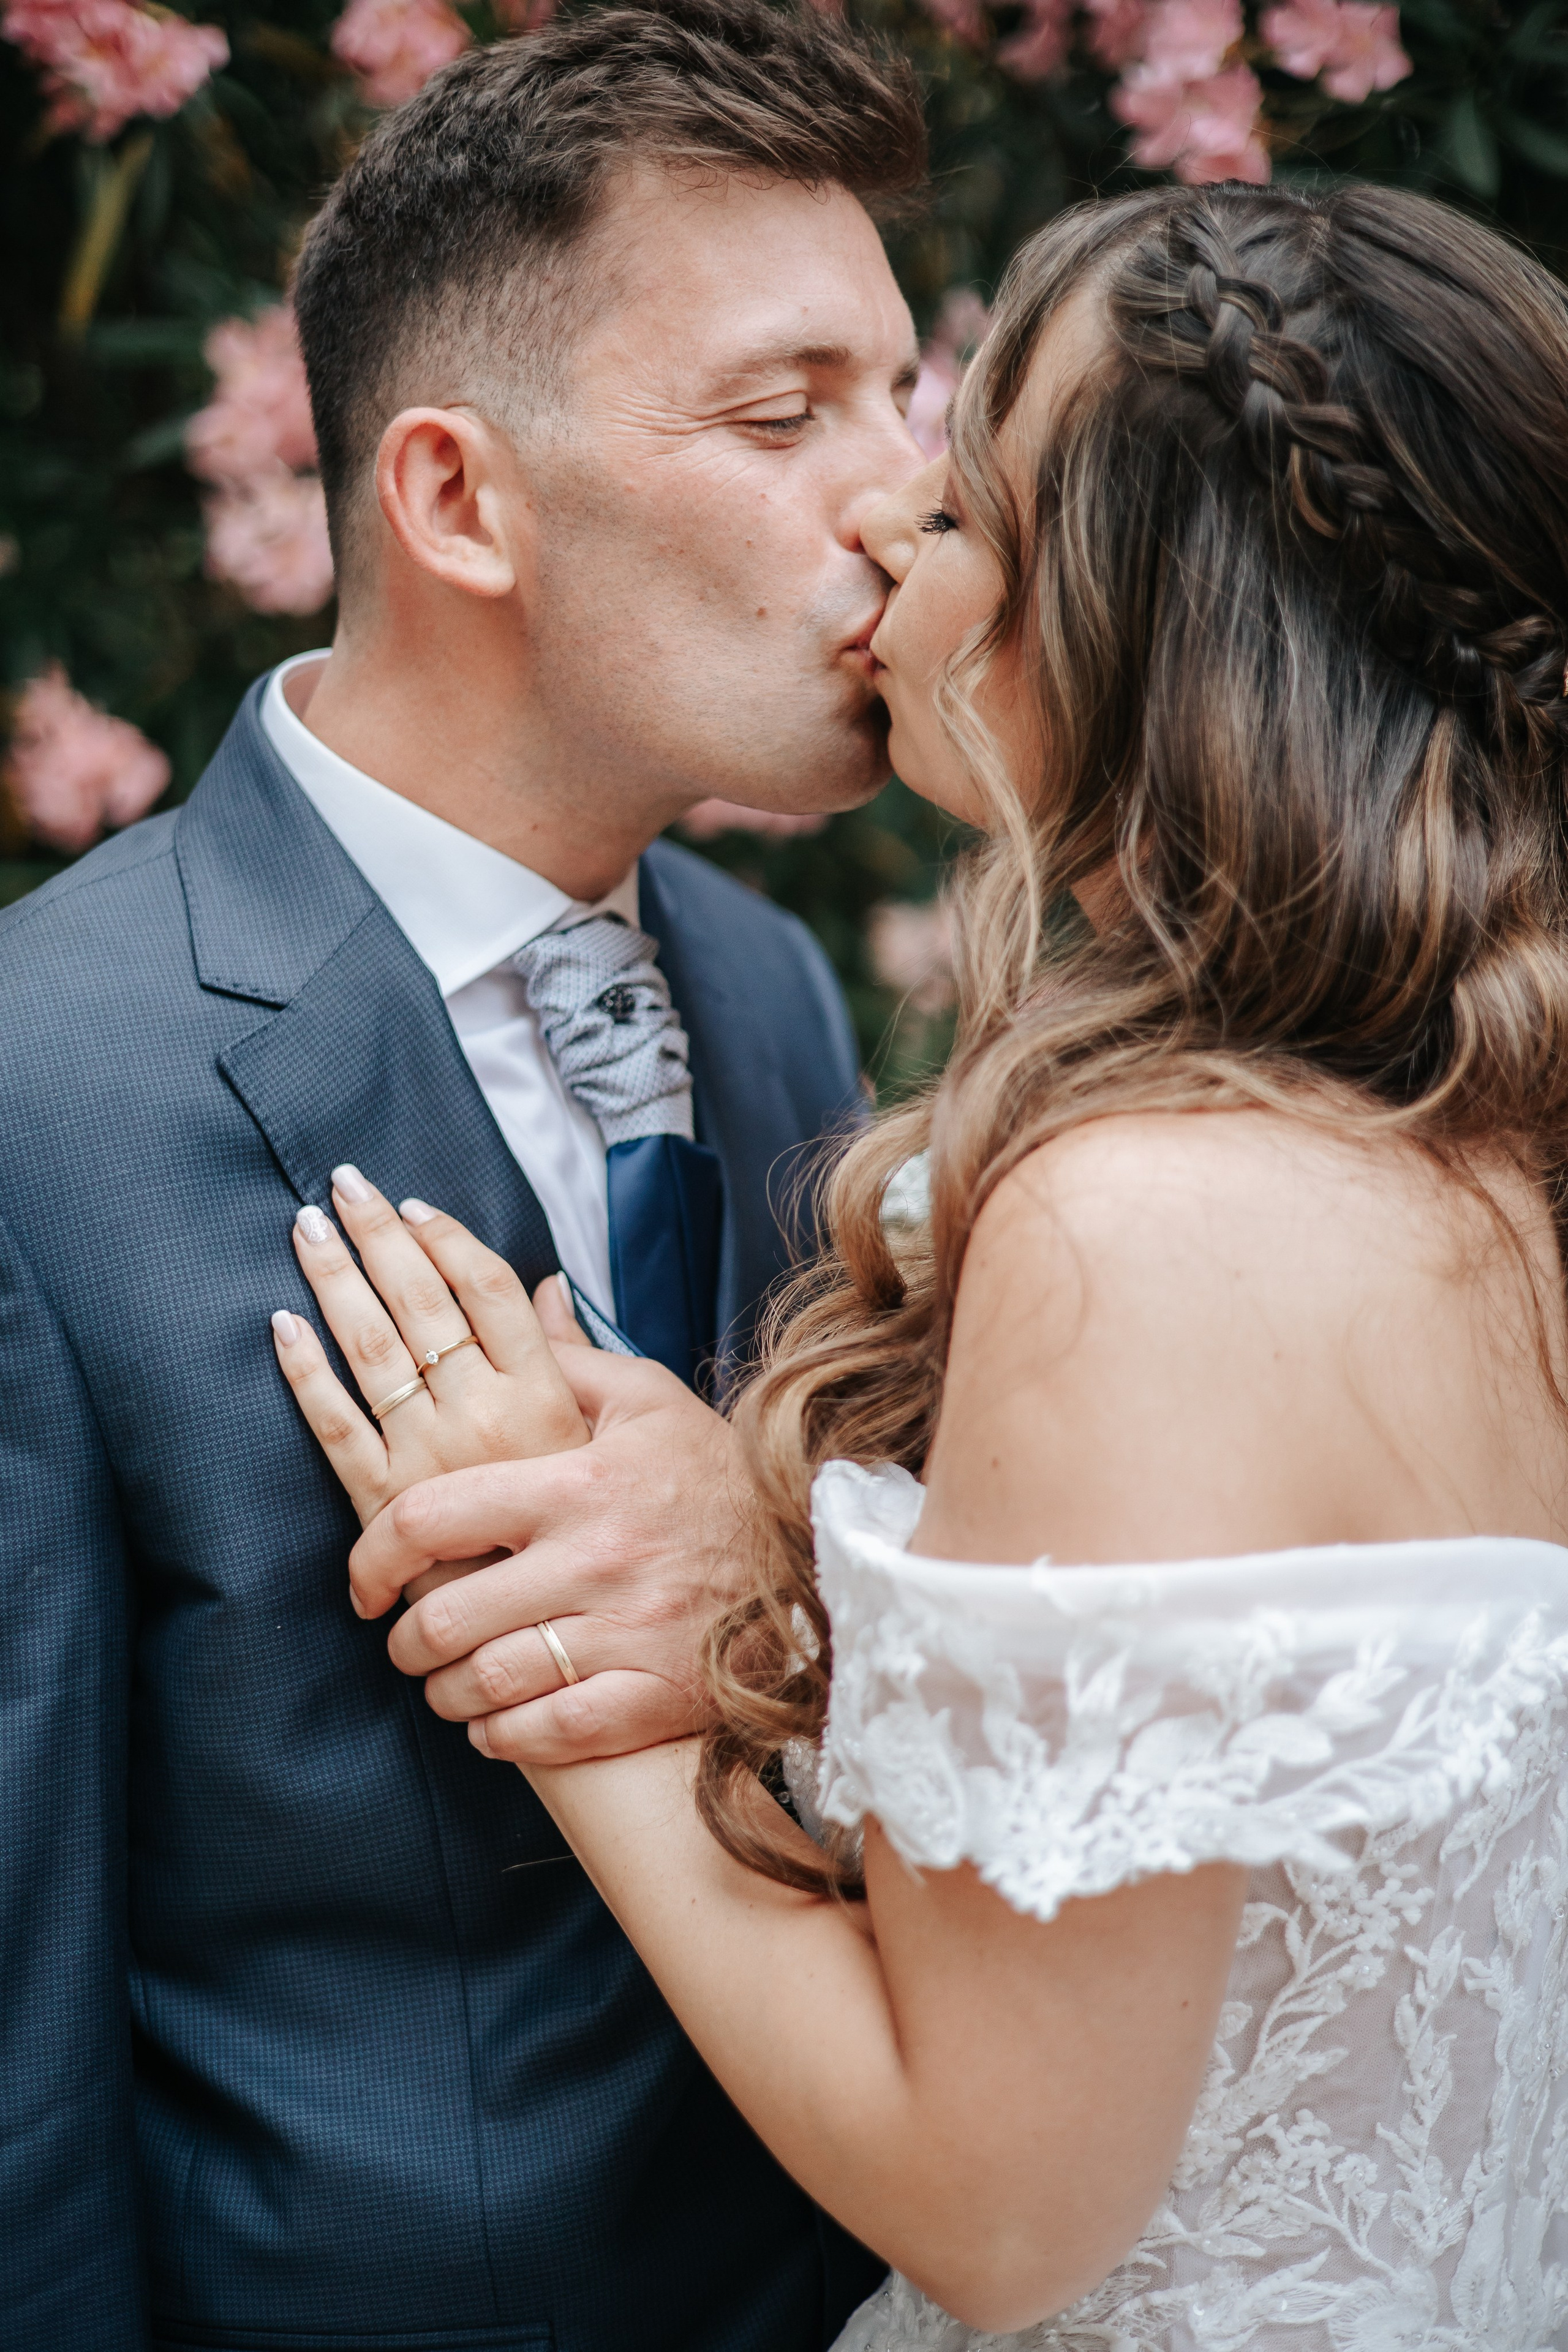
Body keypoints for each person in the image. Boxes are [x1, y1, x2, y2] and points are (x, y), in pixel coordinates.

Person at [278, 180, 1568, 2348]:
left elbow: (1004, 2215)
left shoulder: (1150, 1221)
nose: (885, 525)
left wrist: (592, 1687)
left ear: (1150, 623)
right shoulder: (1486, 1137)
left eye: (962, 486)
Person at [0, 5, 930, 2344]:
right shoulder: (40, 1090)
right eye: (781, 410)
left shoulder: (769, 984)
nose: (905, 501)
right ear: (455, 499)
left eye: (905, 403)